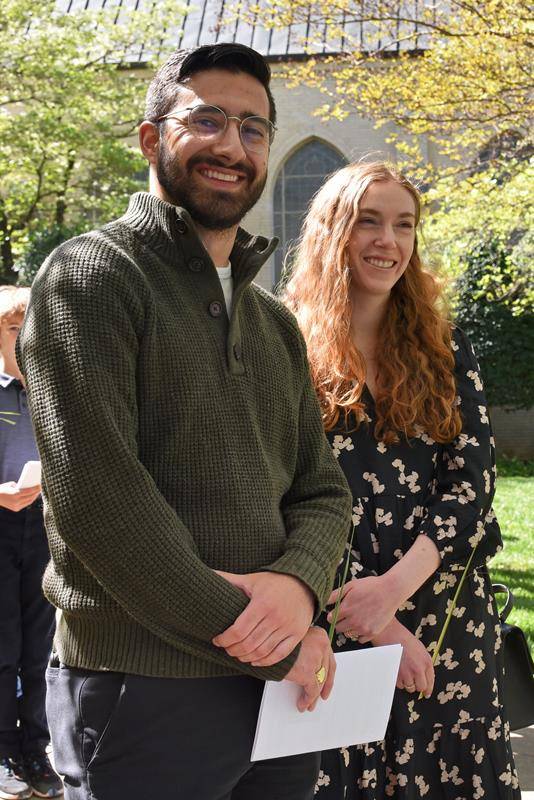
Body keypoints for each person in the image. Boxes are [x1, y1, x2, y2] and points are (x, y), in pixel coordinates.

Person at [17, 43, 352, 800]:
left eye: (254, 128)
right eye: (208, 120)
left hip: (278, 698)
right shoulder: (91, 276)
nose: (234, 146)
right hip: (144, 689)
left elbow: (323, 491)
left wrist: (299, 592)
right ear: (150, 137)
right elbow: (101, 504)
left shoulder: (273, 322)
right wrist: (271, 639)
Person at [283, 161, 520, 799]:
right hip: (327, 612)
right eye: (368, 221)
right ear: (333, 230)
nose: (388, 240)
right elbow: (275, 495)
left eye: (404, 225)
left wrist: (393, 592)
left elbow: (471, 483)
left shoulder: (444, 347)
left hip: (444, 609)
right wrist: (374, 619)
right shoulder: (283, 346)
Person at [0, 286, 63, 800]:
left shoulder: (53, 391)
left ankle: (36, 751)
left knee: (39, 649)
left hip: (43, 527)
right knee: (3, 647)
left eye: (29, 327)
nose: (22, 339)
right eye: (11, 329)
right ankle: (3, 752)